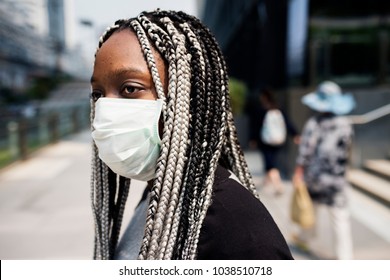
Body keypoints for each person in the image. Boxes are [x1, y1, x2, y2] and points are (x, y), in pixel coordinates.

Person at [89, 10, 293, 260]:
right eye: (98, 94)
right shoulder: (158, 190)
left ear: (187, 98)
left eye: (130, 88)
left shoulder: (238, 229)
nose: (106, 108)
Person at [292, 80, 355, 259]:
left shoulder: (315, 123)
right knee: (340, 218)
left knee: (310, 210)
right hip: (337, 179)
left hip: (316, 177)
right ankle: (345, 257)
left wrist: (299, 171)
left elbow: (305, 151)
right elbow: (347, 150)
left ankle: (305, 239)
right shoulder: (346, 124)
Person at [251, 87, 299, 195]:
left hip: (265, 141)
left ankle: (278, 186)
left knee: (271, 165)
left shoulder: (262, 110)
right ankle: (266, 182)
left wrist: (253, 139)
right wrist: (295, 134)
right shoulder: (278, 109)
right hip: (278, 141)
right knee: (270, 163)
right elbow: (288, 123)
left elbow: (256, 127)